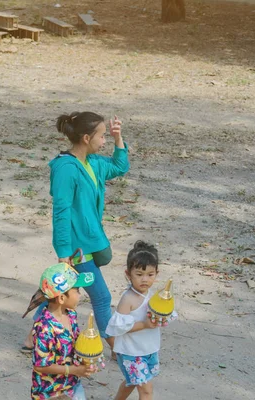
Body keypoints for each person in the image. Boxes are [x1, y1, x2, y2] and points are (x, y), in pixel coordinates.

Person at [24, 112, 129, 352]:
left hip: (89, 243)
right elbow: (61, 213)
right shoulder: (66, 169)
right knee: (101, 298)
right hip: (77, 249)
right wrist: (63, 253)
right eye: (102, 136)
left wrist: (118, 138)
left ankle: (31, 337)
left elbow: (120, 166)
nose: (104, 142)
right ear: (85, 138)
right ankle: (117, 346)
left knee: (64, 292)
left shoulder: (92, 163)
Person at [106, 241, 174, 400]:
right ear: (128, 274)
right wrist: (144, 324)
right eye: (139, 274)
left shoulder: (153, 295)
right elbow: (119, 328)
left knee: (131, 382)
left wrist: (162, 319)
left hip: (148, 349)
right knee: (146, 390)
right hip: (131, 352)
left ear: (157, 273)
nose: (145, 279)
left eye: (150, 275)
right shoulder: (128, 299)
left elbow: (163, 313)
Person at [30, 263, 97, 400]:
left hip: (72, 386)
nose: (80, 295)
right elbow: (41, 366)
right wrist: (74, 370)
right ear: (61, 298)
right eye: (77, 291)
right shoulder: (44, 327)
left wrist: (86, 361)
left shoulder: (71, 314)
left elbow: (73, 346)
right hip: (51, 393)